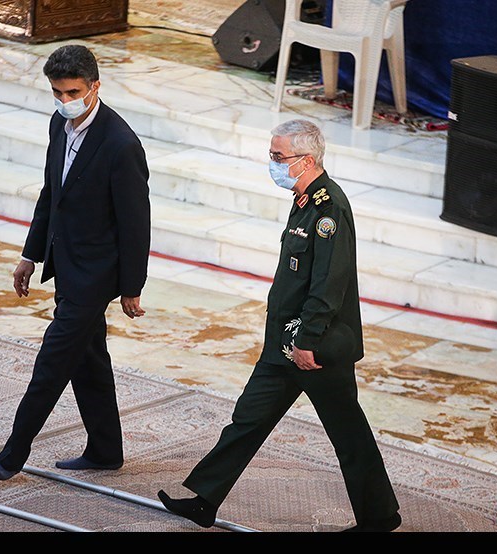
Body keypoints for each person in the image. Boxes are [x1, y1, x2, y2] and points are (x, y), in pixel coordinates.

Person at [157, 119, 401, 532]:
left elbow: (329, 283)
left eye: (278, 156)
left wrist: (307, 340)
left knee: (348, 434)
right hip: (284, 342)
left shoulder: (329, 209)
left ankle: (380, 517)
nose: (272, 163)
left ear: (306, 160)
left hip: (314, 347)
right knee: (247, 419)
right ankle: (204, 501)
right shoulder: (303, 200)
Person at [0, 44, 150, 481]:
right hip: (66, 263)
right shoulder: (60, 123)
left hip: (96, 275)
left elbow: (135, 223)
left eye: (72, 92)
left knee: (52, 363)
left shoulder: (121, 144)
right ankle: (106, 450)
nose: (64, 100)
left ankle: (13, 454)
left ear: (95, 86)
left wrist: (132, 287)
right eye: (57, 92)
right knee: (90, 360)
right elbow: (50, 194)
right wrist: (30, 255)